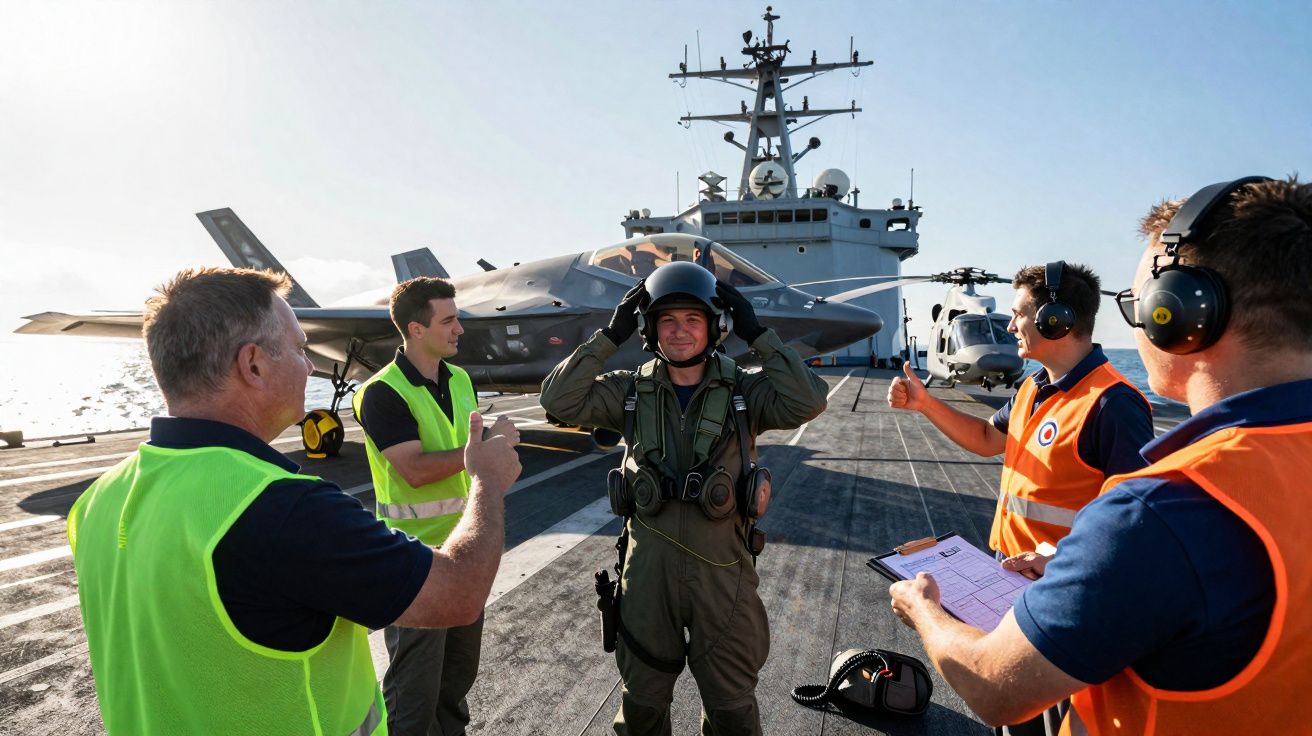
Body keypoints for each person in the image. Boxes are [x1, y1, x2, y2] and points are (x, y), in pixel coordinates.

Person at [888, 176, 1312, 734]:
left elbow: (996, 687)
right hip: (1049, 584)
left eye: (1141, 305)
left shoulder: (1156, 502)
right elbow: (994, 442)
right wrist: (926, 405)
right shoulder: (1034, 389)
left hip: (1075, 618)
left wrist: (925, 608)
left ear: (1181, 314)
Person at [67, 267, 520, 736]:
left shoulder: (95, 504)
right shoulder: (282, 507)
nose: (309, 367)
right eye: (301, 349)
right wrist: (486, 478)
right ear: (254, 365)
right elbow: (459, 593)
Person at [540, 261, 828, 735]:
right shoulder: (630, 391)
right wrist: (608, 337)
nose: (679, 332)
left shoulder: (744, 392)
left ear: (714, 327)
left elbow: (808, 401)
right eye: (667, 321)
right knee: (643, 706)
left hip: (723, 575)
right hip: (646, 574)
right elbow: (558, 400)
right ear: (650, 330)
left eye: (692, 320)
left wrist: (759, 335)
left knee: (731, 706)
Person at [887, 262, 1153, 570]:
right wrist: (926, 404)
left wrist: (1057, 560)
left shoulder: (1113, 404)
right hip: (1011, 565)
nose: (1011, 327)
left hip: (1061, 577)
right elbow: (987, 439)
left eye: (1018, 314)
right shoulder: (1032, 387)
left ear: (1055, 321)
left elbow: (1138, 518)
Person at [351, 276, 519, 736]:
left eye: (457, 318)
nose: (459, 329)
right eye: (448, 320)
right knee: (413, 698)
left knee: (455, 687)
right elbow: (415, 470)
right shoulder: (381, 392)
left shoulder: (459, 378)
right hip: (412, 565)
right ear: (415, 329)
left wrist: (489, 441)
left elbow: (467, 447)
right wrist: (483, 452)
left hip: (463, 554)